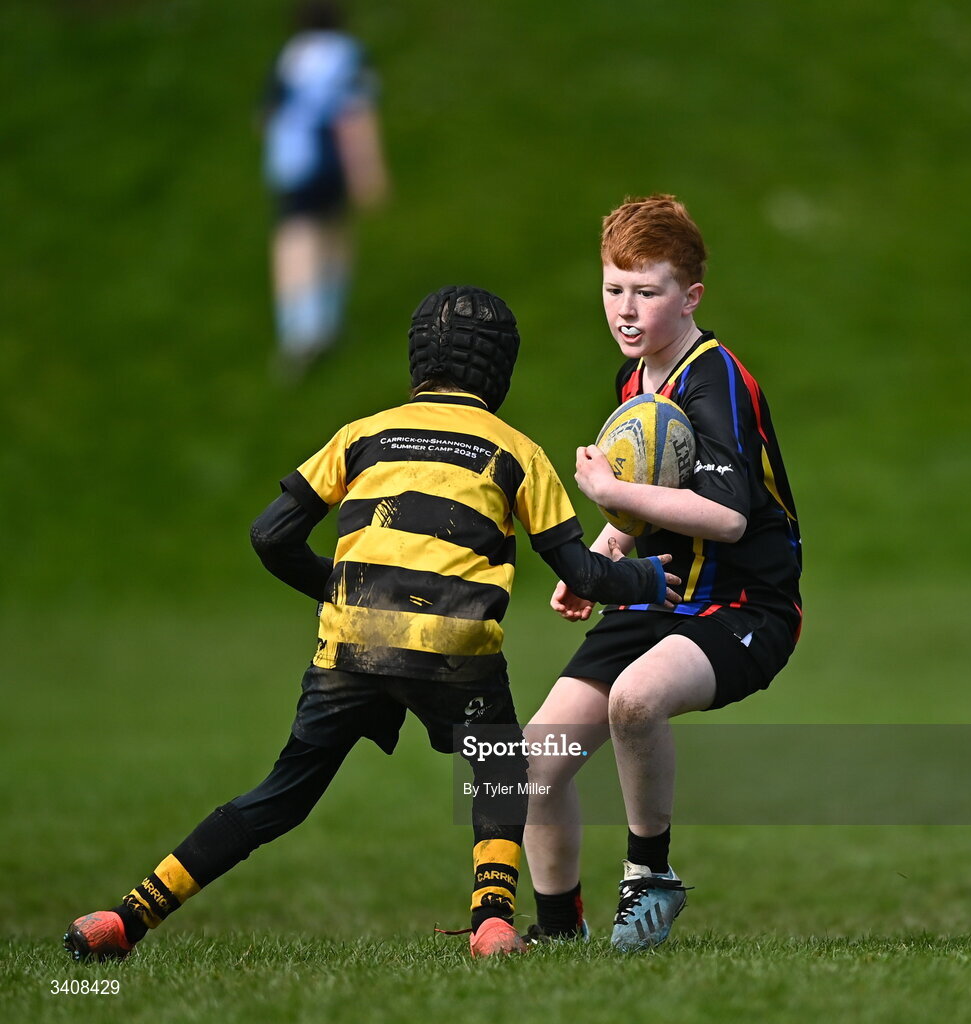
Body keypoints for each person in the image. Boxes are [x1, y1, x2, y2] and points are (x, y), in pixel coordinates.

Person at [62, 285, 684, 962]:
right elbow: (585, 574)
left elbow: (270, 537)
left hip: (350, 648)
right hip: (455, 650)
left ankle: (127, 917)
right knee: (502, 766)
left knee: (279, 796)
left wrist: (345, 589)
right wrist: (650, 577)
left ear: (417, 358)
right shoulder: (515, 452)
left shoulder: (363, 433)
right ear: (500, 368)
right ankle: (493, 922)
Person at [522, 195, 803, 951]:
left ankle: (649, 878)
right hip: (660, 594)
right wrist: (604, 550)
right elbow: (656, 503)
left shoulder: (714, 379)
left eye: (647, 291)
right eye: (614, 287)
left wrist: (610, 496)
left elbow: (728, 516)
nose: (626, 307)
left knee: (636, 702)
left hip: (744, 606)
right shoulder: (631, 382)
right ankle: (556, 935)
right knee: (532, 762)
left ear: (690, 296)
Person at [262, 1, 390, 377]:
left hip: (294, 162)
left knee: (296, 236)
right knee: (335, 228)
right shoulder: (347, 55)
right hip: (333, 158)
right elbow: (355, 114)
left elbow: (266, 114)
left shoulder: (289, 58)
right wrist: (368, 171)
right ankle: (329, 320)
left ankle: (300, 328)